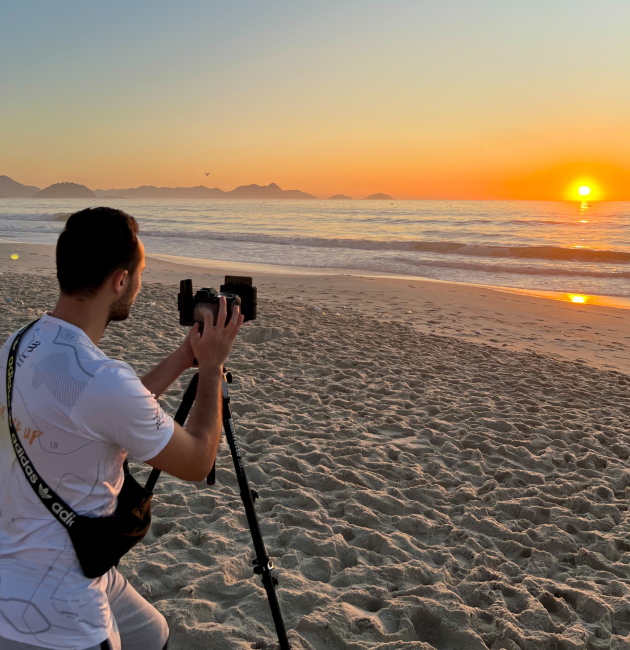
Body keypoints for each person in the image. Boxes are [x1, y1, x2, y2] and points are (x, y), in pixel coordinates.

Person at [0, 207, 244, 650]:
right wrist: (211, 369)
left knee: (152, 634)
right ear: (120, 280)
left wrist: (185, 356)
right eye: (140, 272)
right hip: (61, 610)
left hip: (18, 559)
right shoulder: (102, 380)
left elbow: (98, 414)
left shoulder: (18, 346)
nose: (140, 283)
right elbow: (196, 461)